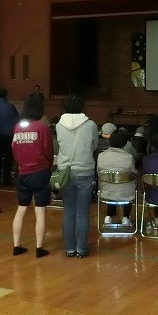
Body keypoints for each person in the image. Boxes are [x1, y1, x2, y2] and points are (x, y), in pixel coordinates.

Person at [56, 93, 98, 258]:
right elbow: (94, 145)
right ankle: (81, 249)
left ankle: (69, 248)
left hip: (65, 172)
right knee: (82, 212)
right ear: (82, 107)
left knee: (68, 211)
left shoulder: (59, 125)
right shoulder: (91, 125)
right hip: (85, 171)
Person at [10, 94, 52, 257]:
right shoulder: (42, 128)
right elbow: (48, 150)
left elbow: (14, 149)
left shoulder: (18, 127)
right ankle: (39, 248)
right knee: (40, 211)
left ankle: (16, 245)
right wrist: (47, 165)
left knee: (21, 209)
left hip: (24, 172)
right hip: (40, 172)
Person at [98, 128, 138, 226]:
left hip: (107, 192)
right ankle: (126, 217)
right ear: (125, 142)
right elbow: (134, 174)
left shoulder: (101, 156)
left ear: (110, 141)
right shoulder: (129, 157)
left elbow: (99, 173)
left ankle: (108, 217)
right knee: (128, 185)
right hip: (126, 193)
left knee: (111, 185)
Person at [0, 88, 20, 186]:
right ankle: (6, 180)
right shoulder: (10, 107)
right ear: (6, 96)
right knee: (8, 159)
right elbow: (17, 120)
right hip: (8, 136)